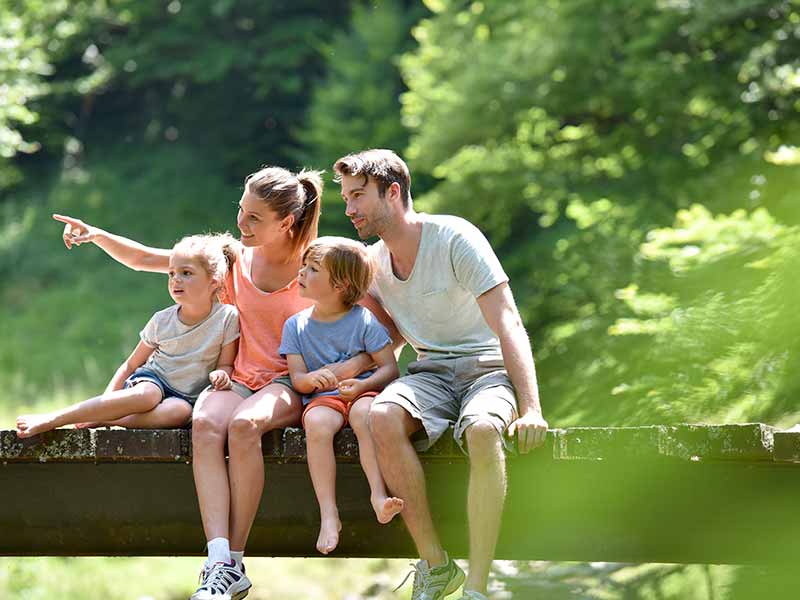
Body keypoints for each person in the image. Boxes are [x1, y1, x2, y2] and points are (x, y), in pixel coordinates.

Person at [52, 166, 397, 600]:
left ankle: (235, 559)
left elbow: (384, 331)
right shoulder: (231, 255)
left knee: (245, 426)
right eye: (241, 210)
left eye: (254, 218)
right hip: (234, 378)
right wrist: (95, 234)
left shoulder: (318, 263)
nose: (241, 223)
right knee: (206, 423)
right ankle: (217, 562)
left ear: (285, 222)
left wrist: (347, 371)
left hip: (287, 384)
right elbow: (147, 259)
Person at [333, 149, 549, 600]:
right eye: (346, 198)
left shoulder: (455, 237)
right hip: (429, 371)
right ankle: (436, 565)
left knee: (485, 431)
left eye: (358, 196)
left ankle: (477, 585)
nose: (349, 209)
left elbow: (507, 320)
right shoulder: (373, 265)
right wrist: (336, 377)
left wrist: (531, 409)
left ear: (392, 192)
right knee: (383, 416)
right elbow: (383, 343)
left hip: (486, 370)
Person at [15, 233, 239, 438]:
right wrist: (107, 399)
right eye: (171, 273)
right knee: (148, 396)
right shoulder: (162, 320)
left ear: (214, 281)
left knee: (179, 413)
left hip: (185, 398)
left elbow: (226, 364)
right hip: (154, 381)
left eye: (186, 273)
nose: (175, 280)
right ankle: (55, 418)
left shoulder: (227, 317)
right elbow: (131, 364)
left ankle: (108, 418)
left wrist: (221, 375)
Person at [279, 236, 404, 555]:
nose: (302, 273)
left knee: (365, 415)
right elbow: (298, 380)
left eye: (313, 269)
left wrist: (363, 386)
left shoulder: (363, 319)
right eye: (304, 266)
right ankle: (328, 513)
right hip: (325, 399)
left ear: (340, 285)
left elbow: (389, 368)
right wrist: (311, 379)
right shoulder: (295, 326)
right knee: (318, 424)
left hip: (363, 393)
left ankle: (378, 494)